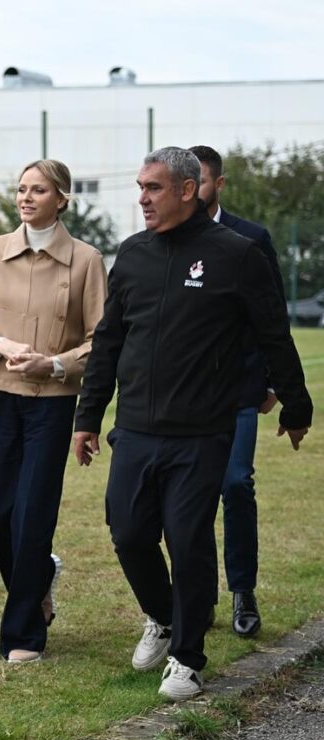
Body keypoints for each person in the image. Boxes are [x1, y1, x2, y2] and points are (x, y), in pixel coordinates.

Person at [73, 147, 312, 701]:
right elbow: (108, 343)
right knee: (129, 533)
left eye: (153, 188)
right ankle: (162, 616)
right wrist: (88, 417)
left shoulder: (238, 254)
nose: (142, 198)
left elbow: (274, 334)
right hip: (135, 427)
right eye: (140, 187)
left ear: (187, 190)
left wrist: (296, 406)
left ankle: (187, 658)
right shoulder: (132, 255)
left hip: (203, 432)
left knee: (187, 540)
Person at [0, 159, 108, 663]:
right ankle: (40, 575)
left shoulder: (86, 261)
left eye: (38, 190)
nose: (25, 197)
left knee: (32, 516)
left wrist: (54, 365)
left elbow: (101, 342)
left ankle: (23, 634)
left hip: (54, 404)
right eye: (21, 189)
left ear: (61, 199)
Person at [190, 144, 286, 638]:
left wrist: (272, 380)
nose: (193, 192)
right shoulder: (164, 239)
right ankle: (198, 596)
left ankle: (242, 591)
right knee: (192, 495)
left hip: (240, 389)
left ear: (218, 184)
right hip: (186, 395)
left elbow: (272, 315)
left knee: (234, 484)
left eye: (202, 182)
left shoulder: (252, 238)